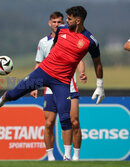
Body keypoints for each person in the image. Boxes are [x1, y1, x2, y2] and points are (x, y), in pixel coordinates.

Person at [0, 5, 105, 160]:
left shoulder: (90, 41)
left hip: (62, 82)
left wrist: (100, 85)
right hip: (43, 73)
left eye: (69, 18)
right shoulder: (62, 30)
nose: (66, 21)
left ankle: (68, 157)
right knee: (14, 94)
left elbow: (98, 63)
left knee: (65, 117)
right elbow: (56, 48)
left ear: (78, 20)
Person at [30, 11, 87, 161]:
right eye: (54, 22)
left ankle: (72, 156)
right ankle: (50, 158)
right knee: (48, 123)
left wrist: (82, 72)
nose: (56, 24)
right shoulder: (43, 42)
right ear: (50, 23)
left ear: (63, 23)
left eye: (59, 22)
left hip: (69, 86)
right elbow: (39, 64)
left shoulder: (72, 38)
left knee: (73, 121)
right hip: (50, 89)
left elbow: (80, 60)